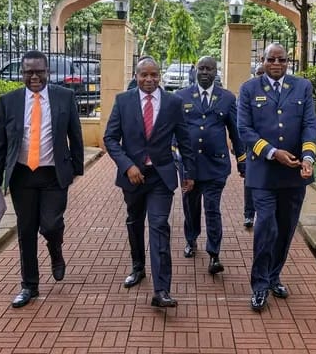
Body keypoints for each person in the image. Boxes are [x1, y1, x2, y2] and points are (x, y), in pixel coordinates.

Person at [0, 50, 84, 308]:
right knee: (26, 231)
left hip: (53, 175)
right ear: (22, 73)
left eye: (39, 71)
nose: (34, 76)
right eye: (29, 71)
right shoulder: (9, 101)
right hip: (22, 176)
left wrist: (76, 169)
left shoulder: (65, 97)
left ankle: (55, 250)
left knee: (50, 225)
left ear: (47, 72)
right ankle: (29, 285)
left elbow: (75, 135)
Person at [103, 57, 195, 308]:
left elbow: (185, 140)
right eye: (144, 75)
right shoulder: (123, 101)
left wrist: (189, 172)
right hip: (132, 176)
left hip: (160, 176)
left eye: (154, 75)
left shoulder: (173, 103)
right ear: (136, 75)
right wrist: (127, 166)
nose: (149, 79)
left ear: (160, 76)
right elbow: (110, 138)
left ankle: (162, 289)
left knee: (158, 226)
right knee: (134, 222)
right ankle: (138, 267)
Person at [237, 43, 316, 312]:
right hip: (263, 173)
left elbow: (309, 124)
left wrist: (307, 158)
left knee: (285, 229)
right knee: (265, 226)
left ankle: (274, 276)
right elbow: (244, 130)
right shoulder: (249, 89)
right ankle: (260, 285)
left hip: (294, 172)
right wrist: (272, 152)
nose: (276, 64)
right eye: (271, 59)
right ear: (263, 60)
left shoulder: (302, 87)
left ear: (288, 62)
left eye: (281, 59)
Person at [175, 56, 245, 274]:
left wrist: (242, 162)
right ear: (195, 70)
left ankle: (214, 253)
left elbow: (236, 132)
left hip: (216, 166)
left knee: (212, 209)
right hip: (190, 167)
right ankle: (191, 239)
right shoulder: (181, 96)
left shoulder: (226, 98)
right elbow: (174, 132)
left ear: (216, 72)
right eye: (202, 68)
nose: (205, 72)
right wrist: (176, 158)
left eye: (210, 69)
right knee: (191, 206)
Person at [243, 63, 265, 229]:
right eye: (258, 73)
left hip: (272, 149)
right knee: (250, 184)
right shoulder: (249, 91)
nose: (260, 76)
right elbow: (242, 124)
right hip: (252, 148)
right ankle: (249, 214)